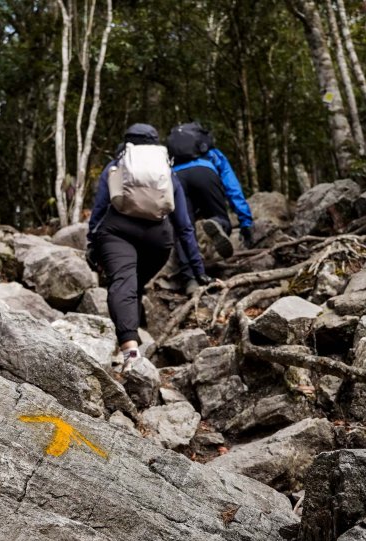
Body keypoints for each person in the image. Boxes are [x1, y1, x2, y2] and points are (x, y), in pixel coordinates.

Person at [86, 123, 212, 368]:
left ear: (127, 141)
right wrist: (199, 270)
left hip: (117, 232)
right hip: (158, 240)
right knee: (134, 282)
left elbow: (100, 208)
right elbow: (184, 226)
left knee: (123, 281)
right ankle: (138, 322)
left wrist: (92, 242)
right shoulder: (166, 171)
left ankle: (131, 352)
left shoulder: (116, 166)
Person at [166, 122, 254, 293]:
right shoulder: (212, 154)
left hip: (176, 178)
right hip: (205, 174)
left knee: (184, 230)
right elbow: (232, 186)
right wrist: (245, 221)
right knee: (218, 216)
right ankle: (219, 223)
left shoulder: (173, 158)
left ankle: (190, 279)